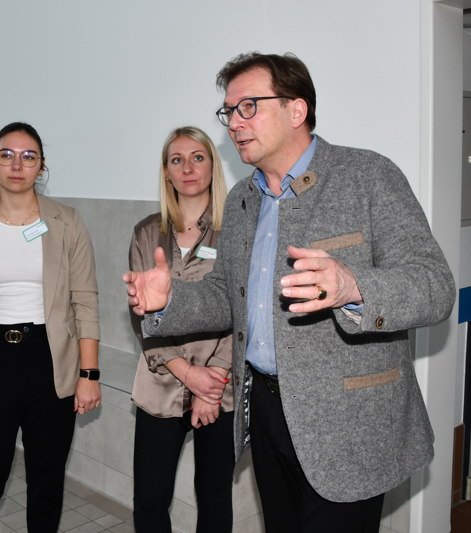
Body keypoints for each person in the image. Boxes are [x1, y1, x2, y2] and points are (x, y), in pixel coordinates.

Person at [123, 52, 456, 533]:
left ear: (296, 109)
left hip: (348, 423)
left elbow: (435, 285)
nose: (234, 123)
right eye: (229, 111)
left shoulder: (368, 176)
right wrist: (170, 299)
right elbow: (225, 296)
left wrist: (353, 286)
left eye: (248, 107)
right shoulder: (243, 199)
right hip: (265, 409)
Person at [0, 122, 100, 532]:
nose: (17, 165)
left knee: (46, 480)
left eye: (28, 157)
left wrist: (89, 374)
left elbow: (85, 300)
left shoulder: (66, 221)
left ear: (41, 166)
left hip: (50, 360)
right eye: (6, 155)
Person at [129, 126, 234, 533]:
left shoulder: (236, 230)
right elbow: (140, 312)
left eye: (197, 157)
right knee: (149, 501)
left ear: (212, 166)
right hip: (161, 382)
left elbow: (243, 308)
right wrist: (186, 372)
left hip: (220, 389)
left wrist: (213, 379)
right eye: (177, 160)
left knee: (214, 496)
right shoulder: (146, 232)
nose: (188, 168)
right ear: (166, 172)